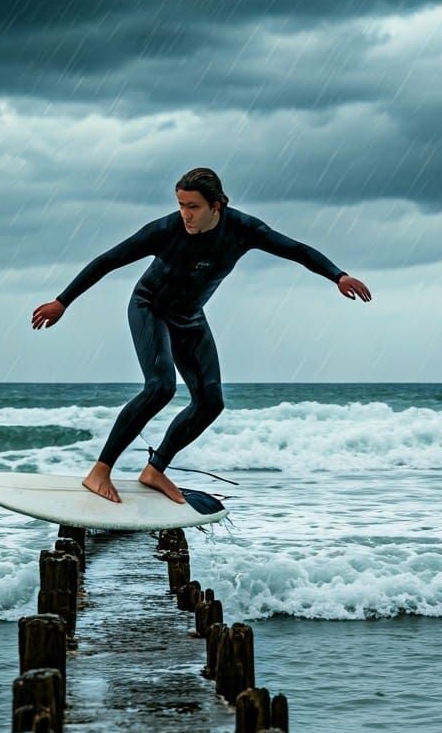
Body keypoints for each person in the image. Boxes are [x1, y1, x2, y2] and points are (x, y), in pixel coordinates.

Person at [31, 168, 371, 504]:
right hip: (150, 307)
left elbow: (296, 250)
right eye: (181, 205)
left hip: (189, 317)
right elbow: (108, 260)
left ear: (217, 205)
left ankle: (154, 470)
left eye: (193, 206)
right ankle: (100, 471)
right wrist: (62, 301)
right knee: (160, 387)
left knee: (211, 403)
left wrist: (337, 276)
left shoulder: (243, 229)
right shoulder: (165, 230)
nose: (185, 214)